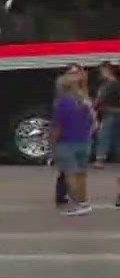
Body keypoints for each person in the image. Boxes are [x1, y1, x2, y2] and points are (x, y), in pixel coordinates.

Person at [50, 69, 95, 215]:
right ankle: (84, 201)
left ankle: (76, 205)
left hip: (67, 142)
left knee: (70, 174)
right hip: (84, 141)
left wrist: (53, 147)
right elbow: (92, 122)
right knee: (82, 174)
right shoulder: (84, 102)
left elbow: (57, 126)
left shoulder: (61, 103)